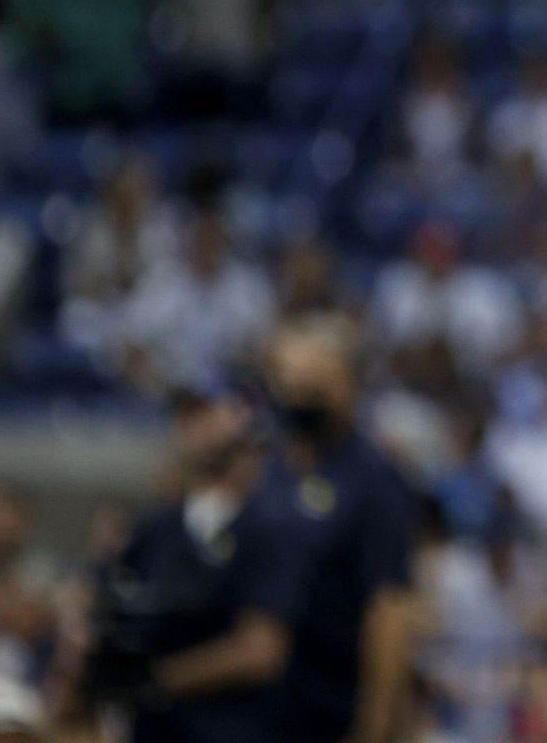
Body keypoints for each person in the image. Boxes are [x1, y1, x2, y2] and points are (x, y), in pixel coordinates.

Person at [79, 388, 303, 742]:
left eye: (213, 418)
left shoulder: (268, 529)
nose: (203, 431)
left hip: (232, 726)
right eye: (191, 419)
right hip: (154, 729)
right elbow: (98, 600)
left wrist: (157, 678)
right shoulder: (158, 527)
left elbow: (261, 650)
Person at [264, 317, 418, 743]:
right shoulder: (265, 466)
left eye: (315, 384)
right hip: (258, 709)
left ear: (348, 383)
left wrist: (372, 728)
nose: (299, 396)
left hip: (332, 706)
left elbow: (390, 609)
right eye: (289, 382)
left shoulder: (374, 478)